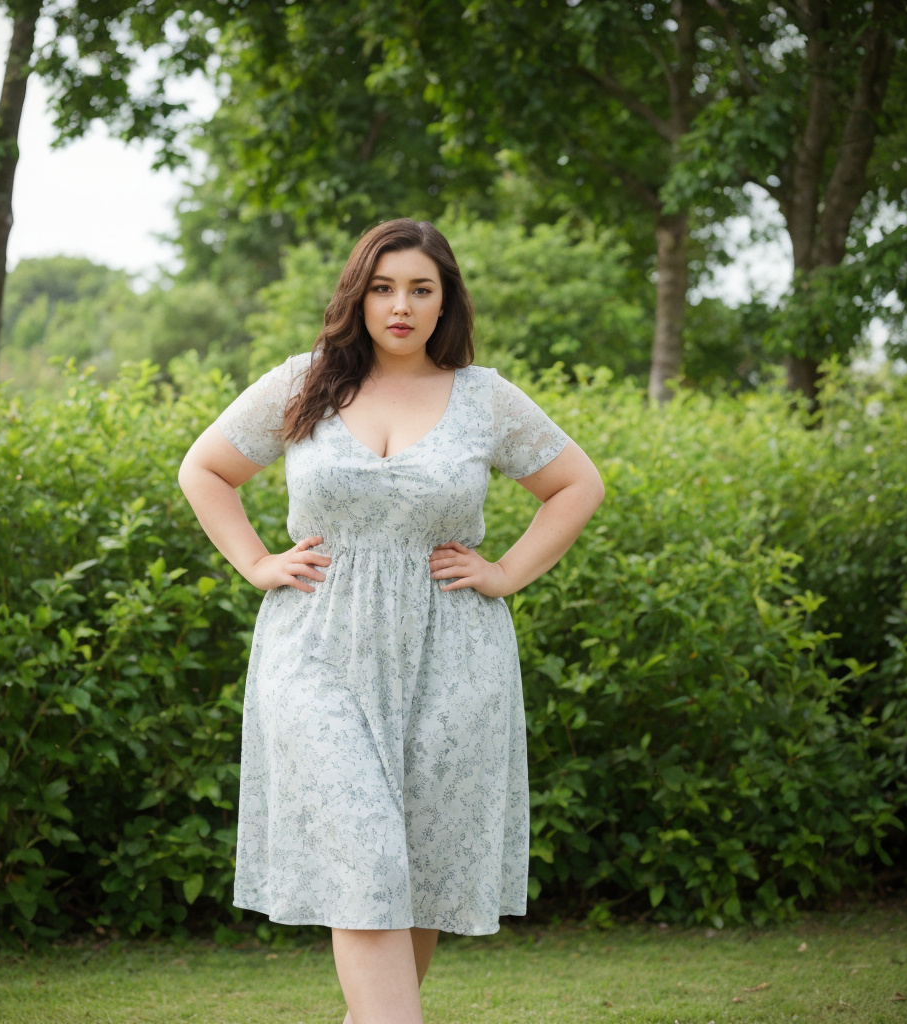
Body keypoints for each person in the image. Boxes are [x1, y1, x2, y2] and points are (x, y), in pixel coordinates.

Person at [178, 217, 605, 1024]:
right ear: (358, 296)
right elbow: (205, 469)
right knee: (368, 858)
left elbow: (578, 485)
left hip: (453, 655)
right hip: (315, 650)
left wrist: (506, 570)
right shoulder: (304, 385)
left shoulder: (484, 398)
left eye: (420, 289)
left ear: (446, 302)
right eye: (382, 287)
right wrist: (257, 562)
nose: (400, 306)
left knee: (421, 871)